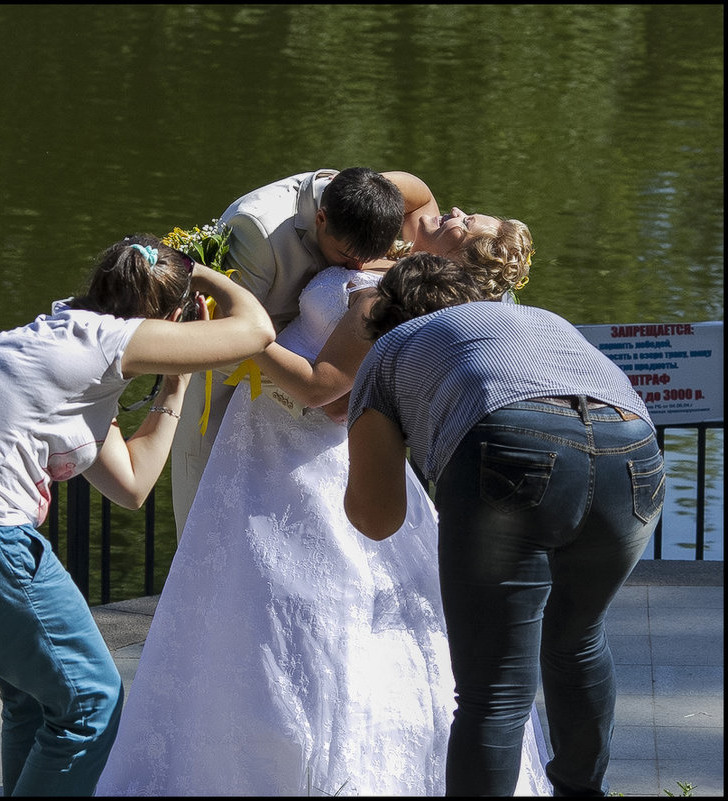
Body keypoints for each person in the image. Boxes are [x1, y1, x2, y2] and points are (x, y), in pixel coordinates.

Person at [96, 253, 552, 795]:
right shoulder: (382, 265)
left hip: (327, 427)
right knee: (249, 585)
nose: (449, 218)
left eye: (461, 222)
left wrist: (231, 329)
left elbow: (324, 392)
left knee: (346, 580)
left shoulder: (384, 294)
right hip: (267, 426)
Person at [0, 234, 275, 797]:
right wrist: (205, 276)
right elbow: (257, 332)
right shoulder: (108, 343)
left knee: (35, 700)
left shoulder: (60, 340)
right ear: (165, 318)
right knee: (92, 704)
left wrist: (174, 383)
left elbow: (131, 483)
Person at [344, 253, 666, 796]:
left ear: (386, 314)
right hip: (635, 451)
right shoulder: (541, 319)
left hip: (511, 442)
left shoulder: (392, 349)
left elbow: (378, 519)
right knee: (578, 641)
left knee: (494, 692)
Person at [169, 166, 439, 538]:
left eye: (370, 256)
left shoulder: (370, 199)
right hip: (231, 398)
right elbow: (219, 332)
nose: (359, 268)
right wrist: (321, 388)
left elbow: (421, 197)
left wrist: (347, 383)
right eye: (346, 254)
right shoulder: (257, 230)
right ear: (322, 218)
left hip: (322, 409)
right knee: (215, 533)